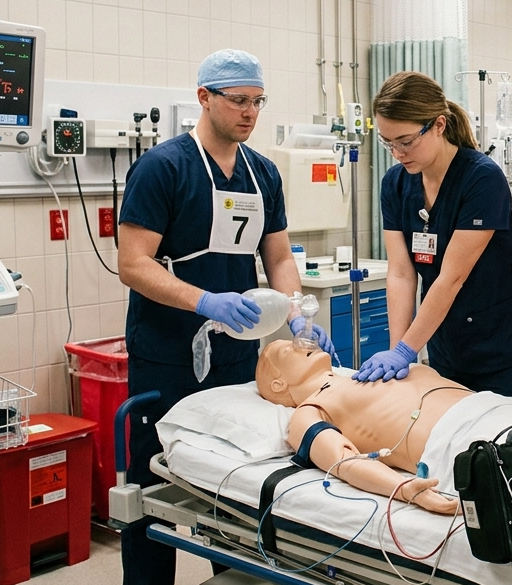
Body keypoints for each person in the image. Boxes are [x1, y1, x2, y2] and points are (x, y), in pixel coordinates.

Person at [116, 49, 331, 585]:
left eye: (257, 102)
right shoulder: (163, 168)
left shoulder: (262, 174)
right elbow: (132, 263)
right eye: (238, 101)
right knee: (151, 487)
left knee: (229, 484)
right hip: (166, 353)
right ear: (204, 98)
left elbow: (278, 257)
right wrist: (203, 301)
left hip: (238, 352)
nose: (249, 113)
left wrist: (296, 316)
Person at [357, 71, 512, 401]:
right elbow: (401, 273)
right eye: (388, 143)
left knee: (502, 448)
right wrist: (399, 354)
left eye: (406, 141)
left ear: (439, 125)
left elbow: (451, 278)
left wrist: (406, 349)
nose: (398, 152)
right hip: (447, 349)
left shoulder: (482, 179)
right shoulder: (395, 184)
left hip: (503, 351)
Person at [256, 340, 512, 514]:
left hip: (502, 407)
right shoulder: (308, 411)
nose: (302, 343)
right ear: (279, 382)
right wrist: (404, 489)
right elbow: (343, 461)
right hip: (466, 441)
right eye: (288, 350)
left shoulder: (364, 370)